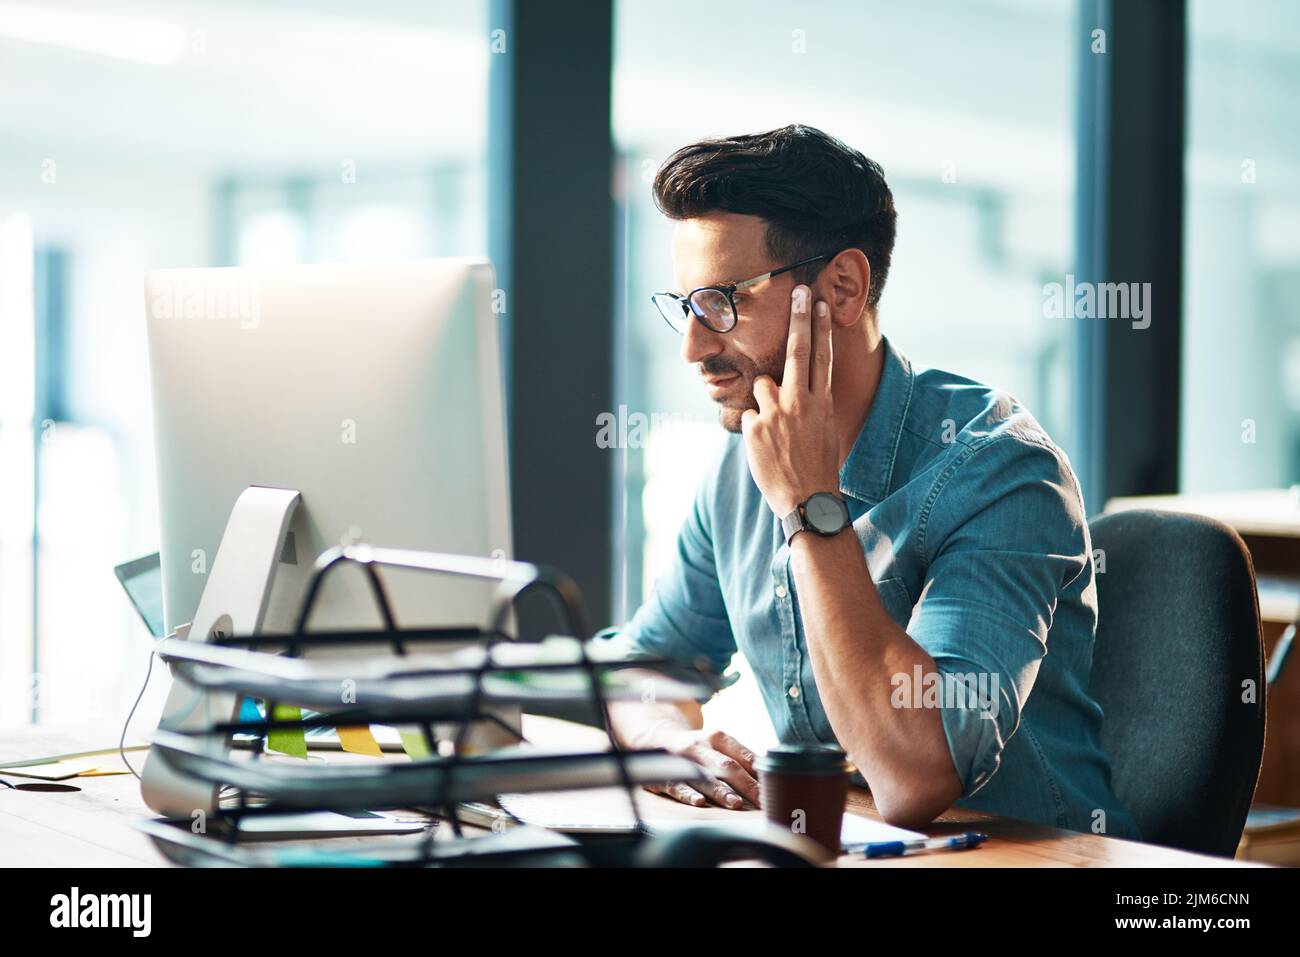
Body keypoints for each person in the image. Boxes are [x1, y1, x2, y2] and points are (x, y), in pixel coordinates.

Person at [607, 124, 1138, 837]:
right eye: (685, 307)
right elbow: (641, 667)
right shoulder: (739, 469)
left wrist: (808, 506)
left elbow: (915, 774)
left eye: (722, 303)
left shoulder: (1003, 472)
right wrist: (662, 738)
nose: (694, 347)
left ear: (843, 288)